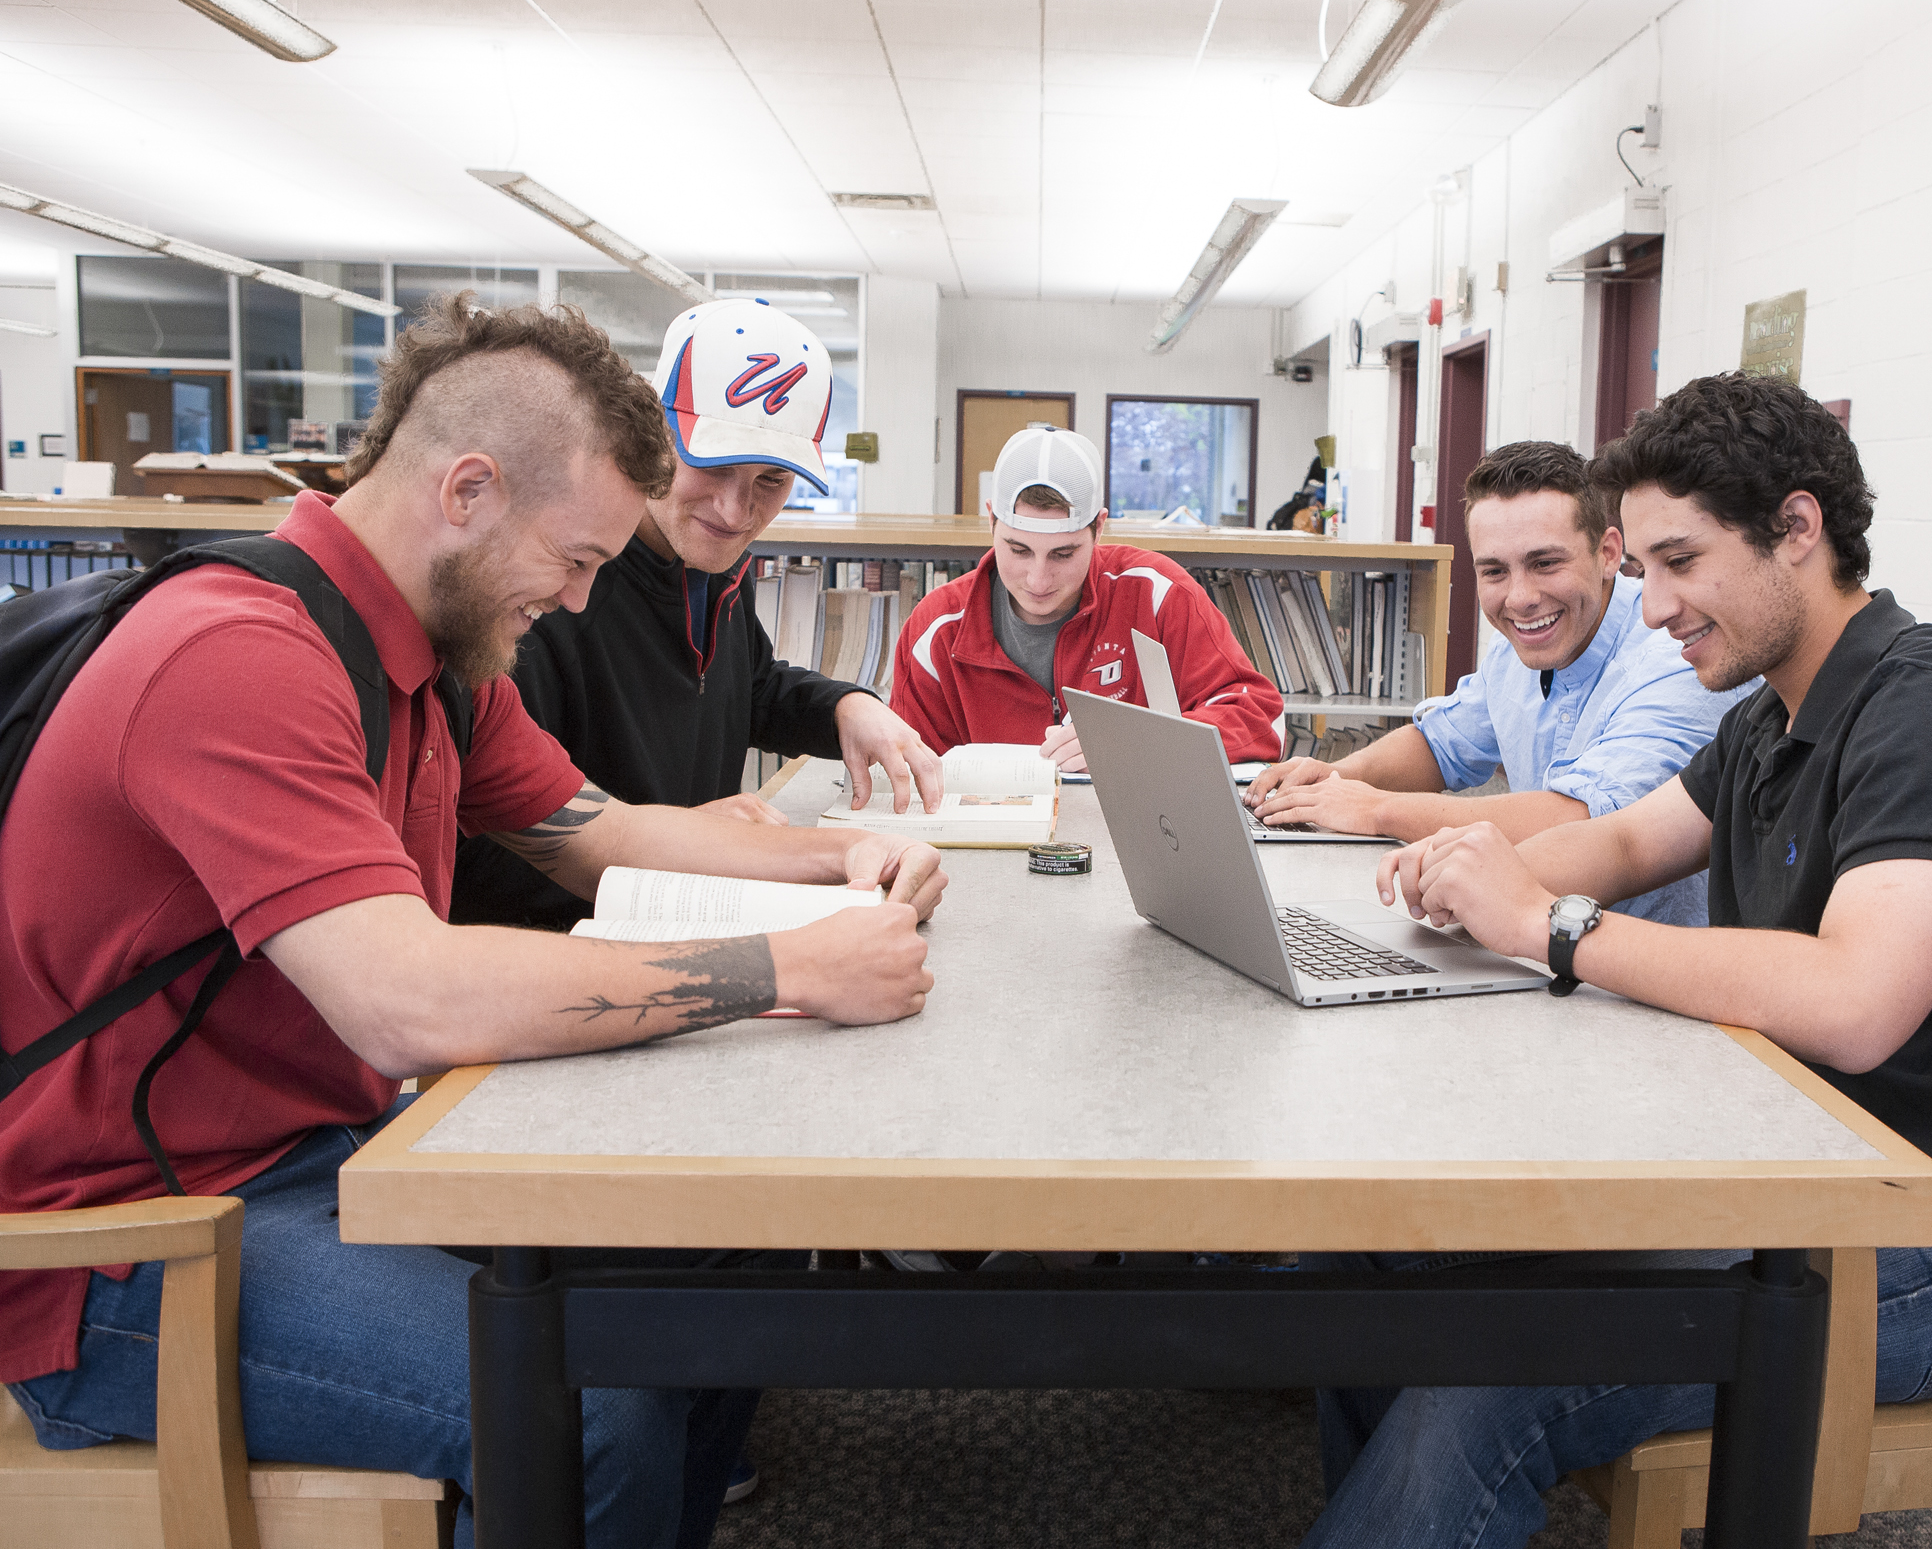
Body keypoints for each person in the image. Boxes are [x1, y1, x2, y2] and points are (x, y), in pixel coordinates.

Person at [0, 295, 948, 1549]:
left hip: (321, 1156)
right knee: (592, 1409)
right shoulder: (233, 657)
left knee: (695, 1270)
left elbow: (607, 833)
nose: (574, 599)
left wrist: (849, 857)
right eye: (577, 559)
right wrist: (791, 966)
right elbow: (408, 1002)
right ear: (467, 491)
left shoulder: (435, 658)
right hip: (132, 1246)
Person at [1304, 374, 1932, 1549]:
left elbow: (1856, 1002)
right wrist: (1471, 866)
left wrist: (1550, 925)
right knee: (1400, 1270)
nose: (1656, 605)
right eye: (1645, 569)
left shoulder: (1931, 711)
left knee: (1480, 1380)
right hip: (1784, 1170)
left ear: (1797, 528)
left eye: (1681, 563)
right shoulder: (1770, 713)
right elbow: (1631, 840)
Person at [452, 295, 944, 932]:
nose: (736, 511)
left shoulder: (711, 573)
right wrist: (681, 847)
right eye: (713, 464)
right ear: (655, 431)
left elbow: (751, 686)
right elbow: (480, 852)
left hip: (686, 928)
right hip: (563, 964)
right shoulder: (550, 593)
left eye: (771, 479)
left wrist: (845, 707)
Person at [1243, 439, 1744, 924]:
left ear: (1609, 552)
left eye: (1545, 563)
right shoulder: (1517, 651)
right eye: (1495, 571)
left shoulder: (1679, 655)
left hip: (1643, 977)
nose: (1521, 598)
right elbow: (1438, 744)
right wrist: (1329, 782)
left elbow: (1589, 823)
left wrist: (1378, 810)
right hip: (1530, 939)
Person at [889, 423, 1283, 771]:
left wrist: (1141, 743)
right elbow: (904, 773)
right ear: (991, 521)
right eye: (1019, 550)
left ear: (1099, 528)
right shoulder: (934, 631)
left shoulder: (1156, 594)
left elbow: (1261, 718)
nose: (1038, 579)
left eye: (1064, 554)